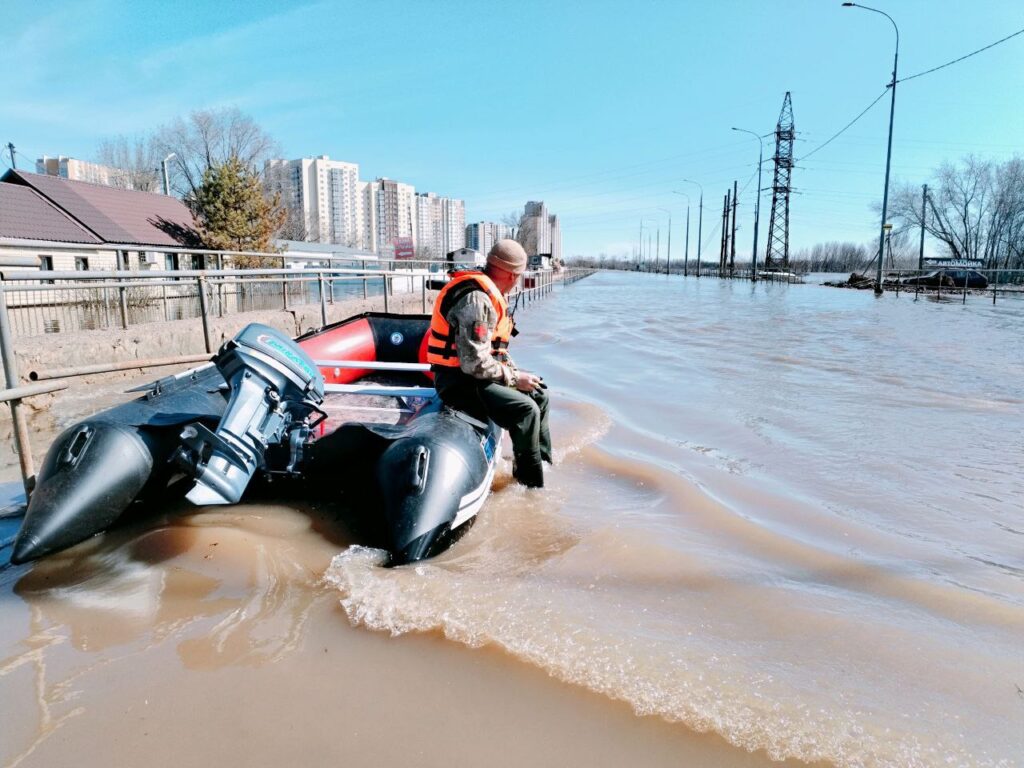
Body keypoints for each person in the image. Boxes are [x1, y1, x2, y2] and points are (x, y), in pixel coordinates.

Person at [427, 239, 552, 488]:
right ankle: (530, 486)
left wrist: (518, 374)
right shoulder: (476, 301)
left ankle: (543, 463)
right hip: (457, 382)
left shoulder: (488, 293)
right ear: (511, 274)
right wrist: (515, 379)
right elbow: (473, 363)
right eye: (519, 275)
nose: (518, 280)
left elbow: (495, 352)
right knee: (526, 410)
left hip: (476, 377)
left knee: (540, 395)